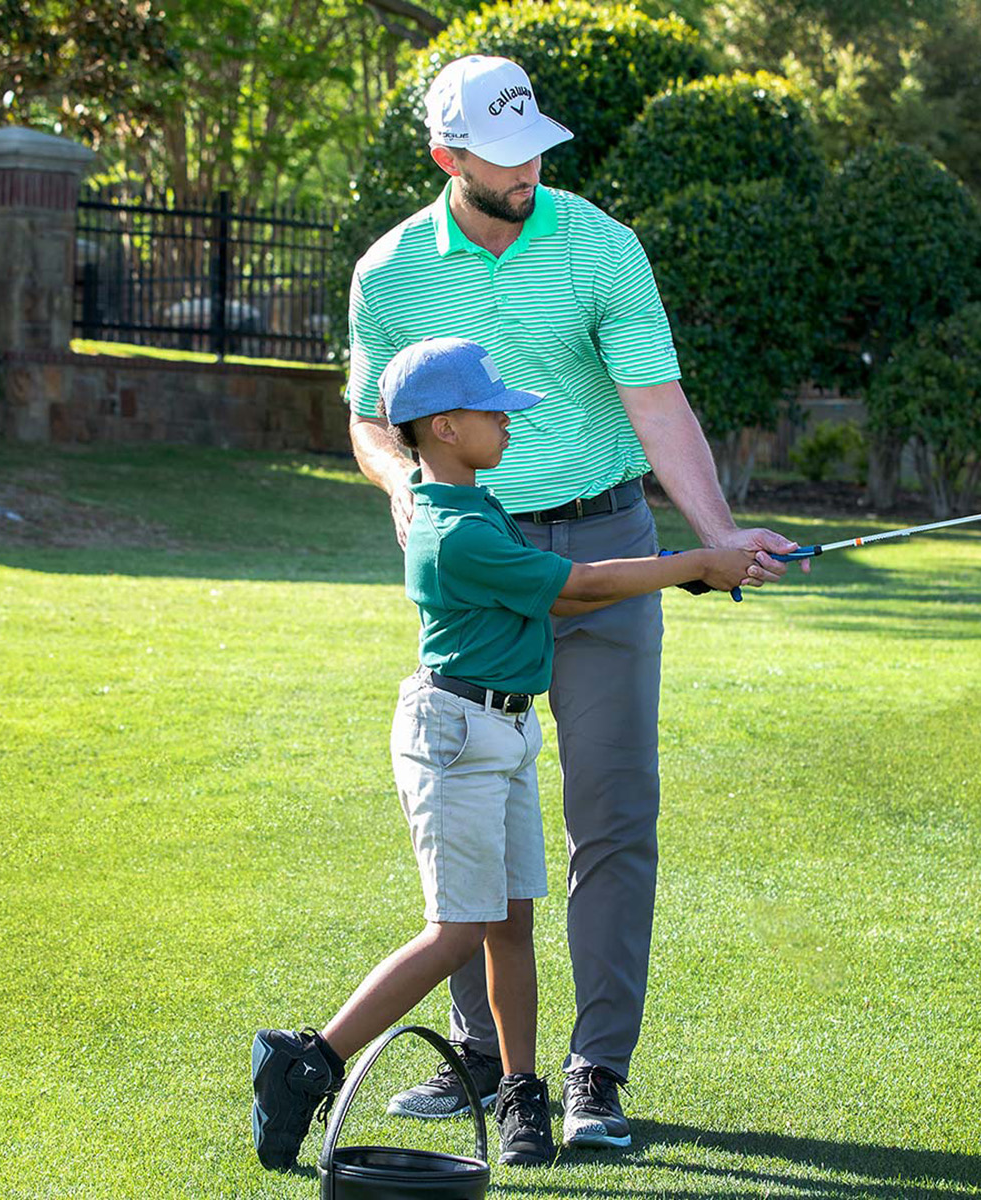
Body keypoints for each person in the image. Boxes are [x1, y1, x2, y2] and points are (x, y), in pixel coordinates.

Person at [343, 55, 808, 1150]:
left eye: (537, 149)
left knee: (613, 811)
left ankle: (596, 1069)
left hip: (605, 537)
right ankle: (485, 1061)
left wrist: (714, 539)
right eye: (505, 157)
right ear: (447, 157)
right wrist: (406, 488)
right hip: (482, 565)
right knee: (473, 808)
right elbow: (368, 415)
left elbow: (657, 401)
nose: (529, 171)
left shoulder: (601, 245)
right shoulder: (390, 271)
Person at [251, 337, 758, 1171]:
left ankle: (520, 1093)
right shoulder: (455, 532)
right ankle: (309, 1060)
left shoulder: (480, 506)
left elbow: (568, 584)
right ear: (445, 428)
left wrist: (687, 570)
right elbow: (577, 587)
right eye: (494, 412)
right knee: (458, 931)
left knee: (510, 922)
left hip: (506, 732)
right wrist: (694, 562)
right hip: (455, 737)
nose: (509, 422)